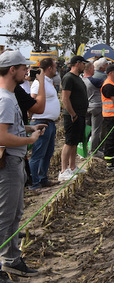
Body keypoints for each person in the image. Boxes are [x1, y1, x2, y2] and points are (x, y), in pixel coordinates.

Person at [0, 50, 45, 278]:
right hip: (8, 164)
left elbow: (9, 130)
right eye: (23, 68)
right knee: (4, 217)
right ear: (12, 70)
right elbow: (2, 137)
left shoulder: (9, 97)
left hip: (14, 163)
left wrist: (29, 128)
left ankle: (12, 259)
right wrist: (31, 139)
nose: (27, 71)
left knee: (14, 214)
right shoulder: (5, 99)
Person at [28, 58, 60, 192]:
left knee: (48, 153)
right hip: (41, 122)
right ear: (49, 69)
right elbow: (32, 100)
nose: (56, 69)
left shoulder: (48, 82)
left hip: (49, 123)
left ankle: (42, 179)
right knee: (37, 154)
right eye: (55, 67)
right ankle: (33, 183)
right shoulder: (38, 83)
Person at [58, 56, 89, 181]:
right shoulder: (68, 78)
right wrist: (72, 114)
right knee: (69, 142)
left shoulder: (77, 78)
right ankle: (63, 170)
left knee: (75, 141)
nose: (84, 66)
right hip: (72, 116)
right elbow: (65, 98)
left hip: (80, 115)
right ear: (77, 64)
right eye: (83, 64)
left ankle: (72, 166)